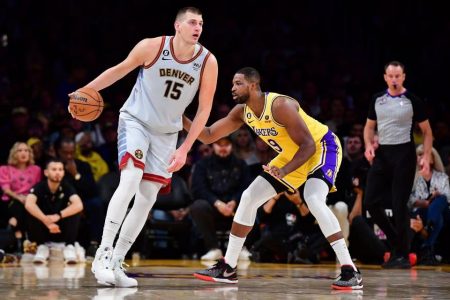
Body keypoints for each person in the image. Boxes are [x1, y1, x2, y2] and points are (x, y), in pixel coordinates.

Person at [69, 7, 218, 287]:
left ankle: (117, 261)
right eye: (192, 22)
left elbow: (204, 109)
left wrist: (185, 148)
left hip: (167, 133)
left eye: (201, 23)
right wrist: (84, 92)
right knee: (131, 179)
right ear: (177, 25)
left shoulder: (208, 61)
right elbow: (119, 70)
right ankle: (102, 252)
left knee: (148, 198)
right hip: (136, 121)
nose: (198, 27)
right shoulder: (152, 47)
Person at [184, 67, 362, 290]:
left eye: (237, 83)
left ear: (253, 85)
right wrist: (179, 118)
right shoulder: (241, 111)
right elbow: (209, 135)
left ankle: (349, 269)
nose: (232, 88)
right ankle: (228, 267)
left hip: (321, 147)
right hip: (290, 156)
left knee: (314, 199)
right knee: (249, 197)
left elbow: (307, 145)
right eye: (232, 83)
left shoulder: (280, 106)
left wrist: (285, 171)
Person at [363, 61, 433, 269]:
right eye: (390, 76)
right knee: (371, 202)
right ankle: (398, 244)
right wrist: (368, 145)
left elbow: (427, 132)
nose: (394, 79)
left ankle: (401, 255)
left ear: (403, 77)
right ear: (385, 77)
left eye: (397, 76)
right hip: (383, 153)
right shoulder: (377, 99)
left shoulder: (412, 100)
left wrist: (426, 157)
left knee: (398, 205)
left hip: (404, 153)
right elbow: (368, 127)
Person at [24, 158, 83, 264]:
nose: (57, 172)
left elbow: (79, 205)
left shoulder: (67, 187)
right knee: (31, 210)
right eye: (54, 169)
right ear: (46, 172)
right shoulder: (40, 187)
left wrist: (58, 216)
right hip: (44, 229)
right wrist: (46, 220)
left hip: (61, 229)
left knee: (75, 210)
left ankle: (69, 246)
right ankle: (41, 246)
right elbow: (29, 203)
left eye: (60, 169)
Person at [409, 145, 450, 265]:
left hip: (441, 209)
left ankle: (429, 227)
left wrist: (435, 197)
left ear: (432, 159)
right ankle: (429, 242)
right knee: (439, 219)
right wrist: (423, 203)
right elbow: (408, 199)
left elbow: (448, 197)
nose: (421, 157)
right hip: (421, 212)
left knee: (441, 199)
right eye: (419, 154)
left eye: (425, 154)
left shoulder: (442, 177)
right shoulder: (411, 177)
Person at [0, 142, 41, 253]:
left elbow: (38, 188)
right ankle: (24, 239)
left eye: (26, 150)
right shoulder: (5, 169)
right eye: (20, 150)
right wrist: (19, 197)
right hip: (11, 200)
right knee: (20, 205)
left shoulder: (36, 169)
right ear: (14, 153)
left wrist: (28, 197)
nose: (24, 153)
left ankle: (16, 230)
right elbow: (6, 189)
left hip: (30, 200)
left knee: (28, 205)